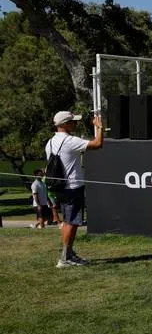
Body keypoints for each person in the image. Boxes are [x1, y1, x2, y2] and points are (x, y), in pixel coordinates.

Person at [45, 111, 104, 267]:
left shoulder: (50, 142)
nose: (75, 124)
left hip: (60, 187)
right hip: (72, 187)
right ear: (64, 124)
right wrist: (99, 128)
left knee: (67, 221)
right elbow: (97, 144)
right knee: (73, 222)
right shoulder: (70, 141)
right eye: (72, 122)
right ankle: (65, 257)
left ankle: (68, 254)